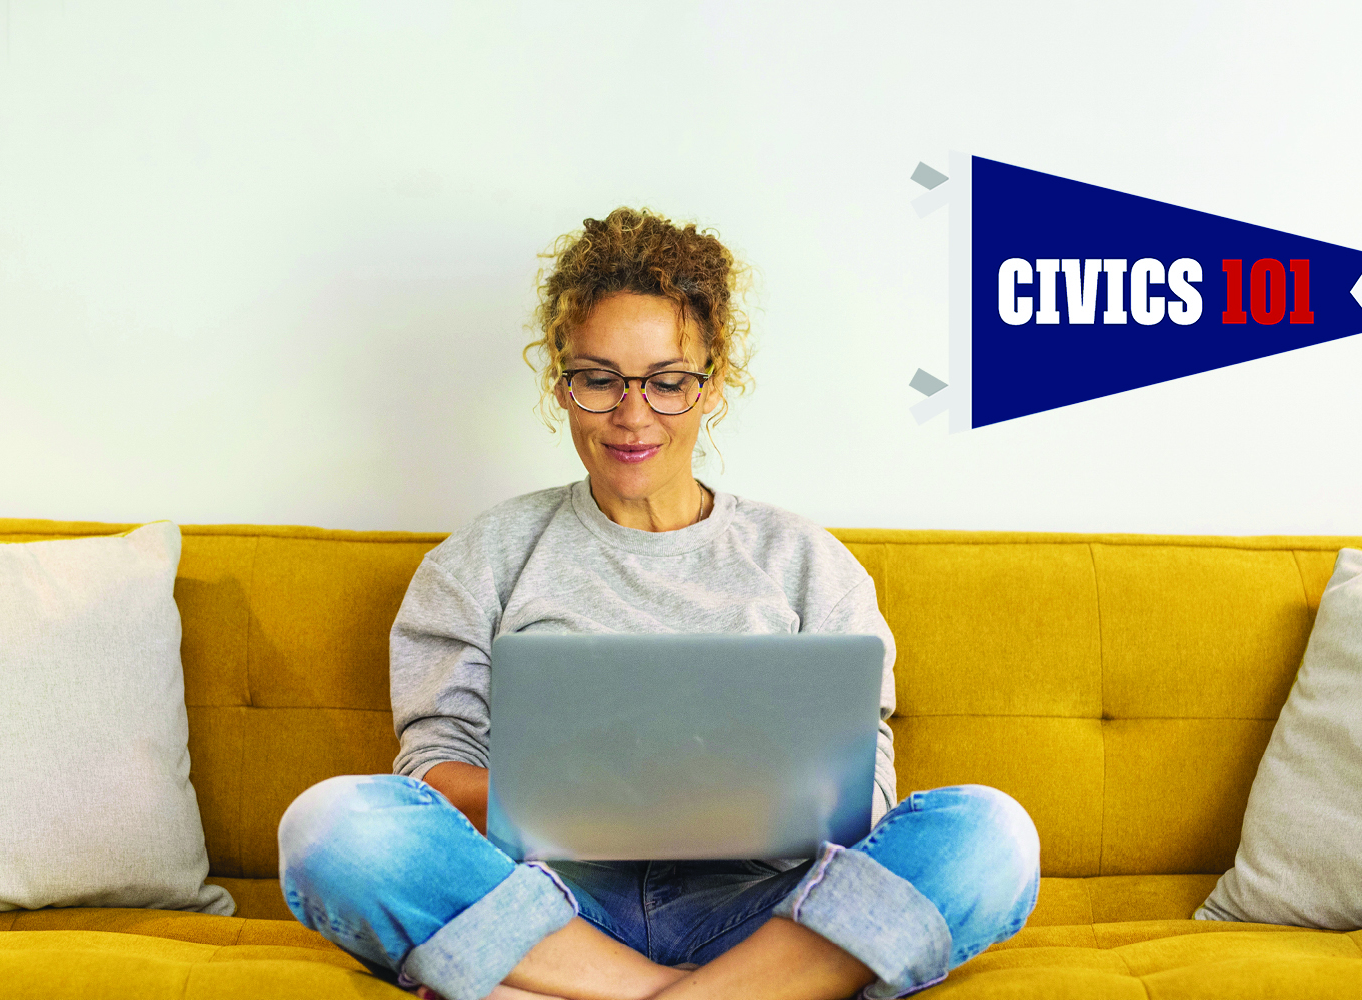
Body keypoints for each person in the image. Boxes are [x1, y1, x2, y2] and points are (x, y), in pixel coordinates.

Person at [276, 209, 1041, 1000]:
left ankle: (585, 990)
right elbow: (434, 776)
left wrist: (722, 796)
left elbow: (865, 804)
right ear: (561, 383)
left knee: (991, 835)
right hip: (549, 910)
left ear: (713, 385)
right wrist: (599, 795)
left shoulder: (807, 562)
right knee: (332, 826)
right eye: (599, 379)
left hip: (767, 913)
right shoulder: (486, 556)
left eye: (668, 382)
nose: (633, 416)